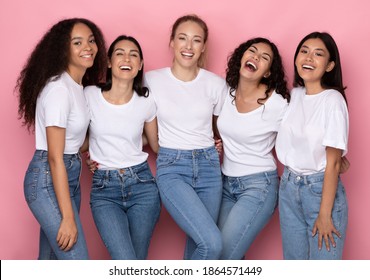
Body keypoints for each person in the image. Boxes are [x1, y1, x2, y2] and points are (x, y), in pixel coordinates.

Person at [16, 18, 107, 259]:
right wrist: (67, 217)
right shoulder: (59, 90)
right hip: (47, 178)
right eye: (77, 42)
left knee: (50, 263)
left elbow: (74, 143)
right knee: (76, 261)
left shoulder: (77, 87)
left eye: (90, 40)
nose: (88, 47)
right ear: (62, 49)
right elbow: (55, 157)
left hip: (68, 175)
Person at [144, 14, 228, 260]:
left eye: (196, 40)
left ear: (203, 46)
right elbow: (131, 122)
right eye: (182, 38)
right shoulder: (151, 80)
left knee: (198, 244)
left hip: (210, 168)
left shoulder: (215, 84)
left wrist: (218, 142)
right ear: (171, 42)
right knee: (212, 243)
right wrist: (105, 152)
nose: (188, 47)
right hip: (172, 167)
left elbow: (221, 128)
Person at [84, 35, 161, 260]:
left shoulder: (146, 100)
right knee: (125, 262)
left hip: (142, 186)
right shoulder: (89, 95)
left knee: (136, 263)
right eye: (120, 53)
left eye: (133, 55)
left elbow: (154, 142)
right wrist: (92, 151)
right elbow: (78, 141)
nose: (126, 58)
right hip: (104, 190)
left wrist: (208, 141)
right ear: (109, 62)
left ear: (140, 65)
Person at [275, 32, 349, 260]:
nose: (308, 58)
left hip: (318, 191)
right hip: (288, 187)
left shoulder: (333, 100)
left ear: (329, 66)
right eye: (304, 51)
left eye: (318, 54)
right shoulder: (294, 96)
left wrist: (325, 214)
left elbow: (335, 162)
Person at [217, 38, 290, 259]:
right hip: (225, 185)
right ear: (242, 58)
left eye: (264, 58)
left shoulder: (277, 103)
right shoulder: (225, 93)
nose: (256, 57)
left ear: (267, 72)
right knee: (219, 250)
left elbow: (299, 136)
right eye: (253, 51)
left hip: (259, 186)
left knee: (224, 258)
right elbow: (218, 125)